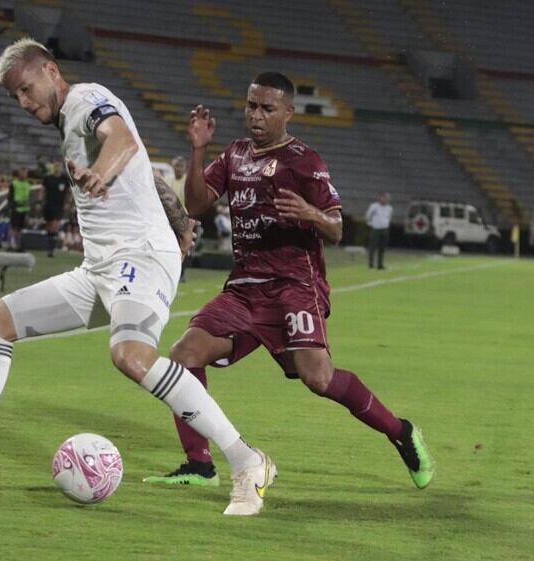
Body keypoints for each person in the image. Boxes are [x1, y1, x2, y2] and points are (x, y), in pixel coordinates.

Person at [0, 38, 275, 516]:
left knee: (131, 355)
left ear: (50, 71)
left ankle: (247, 460)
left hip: (139, 258)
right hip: (100, 268)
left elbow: (121, 140)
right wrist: (180, 218)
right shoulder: (69, 122)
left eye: (26, 89)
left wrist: (101, 172)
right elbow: (144, 170)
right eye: (15, 97)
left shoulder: (84, 100)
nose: (23, 103)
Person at [143, 73, 435, 491]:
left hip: (294, 287)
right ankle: (199, 464)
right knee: (184, 354)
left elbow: (336, 229)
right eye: (251, 106)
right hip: (244, 288)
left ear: (288, 113)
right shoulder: (235, 154)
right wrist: (198, 149)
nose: (256, 116)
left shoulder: (305, 162)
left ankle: (401, 432)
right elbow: (197, 204)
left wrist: (310, 214)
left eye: (267, 108)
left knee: (318, 378)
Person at [41, 158, 69, 257]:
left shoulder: (65, 179)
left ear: (62, 167)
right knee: (49, 227)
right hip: (48, 205)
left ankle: (51, 249)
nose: (57, 167)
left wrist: (67, 203)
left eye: (59, 166)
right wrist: (40, 202)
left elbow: (68, 192)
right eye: (56, 165)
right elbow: (43, 190)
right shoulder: (48, 178)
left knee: (54, 226)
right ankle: (50, 247)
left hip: (59, 206)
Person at [366, 192, 392, 269]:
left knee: (382, 248)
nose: (385, 200)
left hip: (385, 229)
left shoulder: (389, 208)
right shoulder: (374, 206)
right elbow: (368, 215)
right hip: (376, 229)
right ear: (380, 198)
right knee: (373, 247)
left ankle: (380, 264)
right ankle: (371, 264)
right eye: (384, 198)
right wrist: (370, 223)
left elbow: (389, 217)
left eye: (387, 198)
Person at [8, 167, 32, 251]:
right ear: (19, 173)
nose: (24, 174)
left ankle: (19, 245)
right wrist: (11, 207)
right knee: (13, 227)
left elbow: (28, 197)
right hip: (16, 208)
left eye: (25, 173)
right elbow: (10, 196)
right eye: (22, 172)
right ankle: (11, 245)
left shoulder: (28, 184)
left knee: (20, 228)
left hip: (25, 209)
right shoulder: (14, 183)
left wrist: (28, 210)